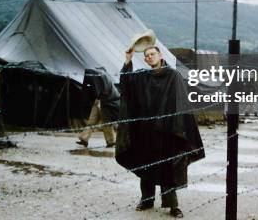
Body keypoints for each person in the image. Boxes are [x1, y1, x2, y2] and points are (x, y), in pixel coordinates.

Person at [115, 46, 204, 218]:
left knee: (169, 167)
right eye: (147, 55)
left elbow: (182, 101)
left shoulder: (173, 75)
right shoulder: (142, 76)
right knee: (147, 164)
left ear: (160, 55)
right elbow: (125, 82)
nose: (149, 57)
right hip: (146, 131)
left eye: (152, 54)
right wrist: (128, 60)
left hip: (168, 130)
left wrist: (179, 128)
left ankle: (173, 205)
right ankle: (146, 199)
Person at [77, 68, 119, 148]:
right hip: (99, 100)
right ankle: (84, 139)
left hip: (105, 101)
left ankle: (111, 141)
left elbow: (100, 92)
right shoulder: (101, 76)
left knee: (106, 121)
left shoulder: (101, 77)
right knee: (92, 121)